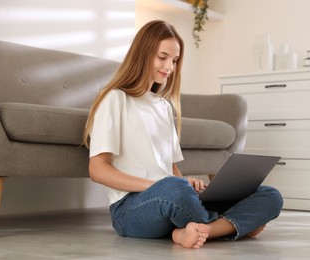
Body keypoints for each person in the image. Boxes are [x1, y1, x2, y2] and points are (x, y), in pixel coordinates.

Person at [83, 20, 283, 249]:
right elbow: (98, 171)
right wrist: (166, 185)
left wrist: (185, 183)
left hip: (169, 197)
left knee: (270, 195)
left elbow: (171, 168)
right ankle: (232, 226)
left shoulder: (164, 106)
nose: (169, 66)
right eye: (162, 56)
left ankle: (200, 230)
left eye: (175, 60)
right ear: (142, 53)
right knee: (174, 189)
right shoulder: (115, 99)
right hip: (130, 208)